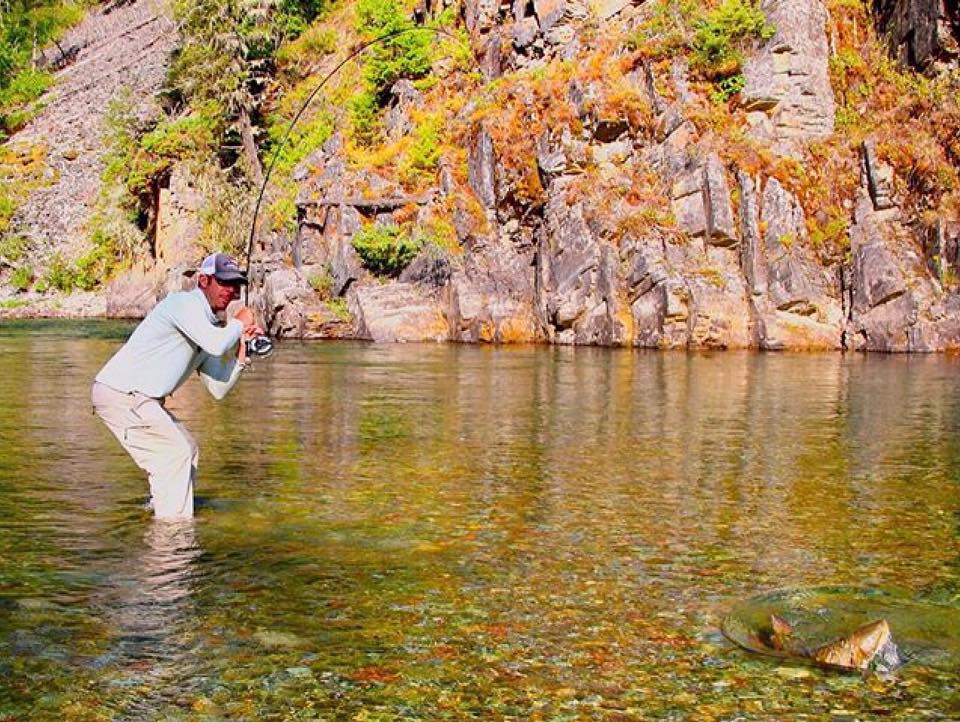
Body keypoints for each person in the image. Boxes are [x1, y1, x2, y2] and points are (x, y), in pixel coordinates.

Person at [91, 252, 263, 520]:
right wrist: (240, 323)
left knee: (187, 448)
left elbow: (218, 389)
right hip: (121, 394)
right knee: (175, 453)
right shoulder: (182, 305)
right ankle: (172, 534)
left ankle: (164, 511)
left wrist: (242, 353)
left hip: (141, 399)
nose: (231, 291)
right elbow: (217, 343)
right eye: (224, 283)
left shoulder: (210, 326)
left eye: (236, 285)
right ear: (203, 281)